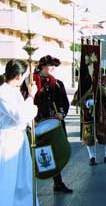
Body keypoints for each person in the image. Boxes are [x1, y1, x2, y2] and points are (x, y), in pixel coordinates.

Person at [32, 55, 73, 193]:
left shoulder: (57, 83)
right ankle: (30, 187)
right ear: (43, 66)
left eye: (55, 66)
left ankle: (58, 183)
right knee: (36, 154)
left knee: (55, 151)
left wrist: (62, 113)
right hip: (36, 123)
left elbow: (64, 103)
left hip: (53, 123)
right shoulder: (31, 82)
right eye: (51, 65)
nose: (54, 68)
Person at [0, 59, 38, 205]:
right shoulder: (3, 92)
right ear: (18, 76)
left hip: (18, 140)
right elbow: (20, 115)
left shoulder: (13, 91)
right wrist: (31, 96)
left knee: (22, 179)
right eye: (24, 76)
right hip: (8, 142)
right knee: (8, 179)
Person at [74, 66, 106, 165]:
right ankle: (92, 157)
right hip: (87, 116)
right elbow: (76, 101)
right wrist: (86, 103)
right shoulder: (82, 87)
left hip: (100, 114)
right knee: (88, 137)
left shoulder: (100, 85)